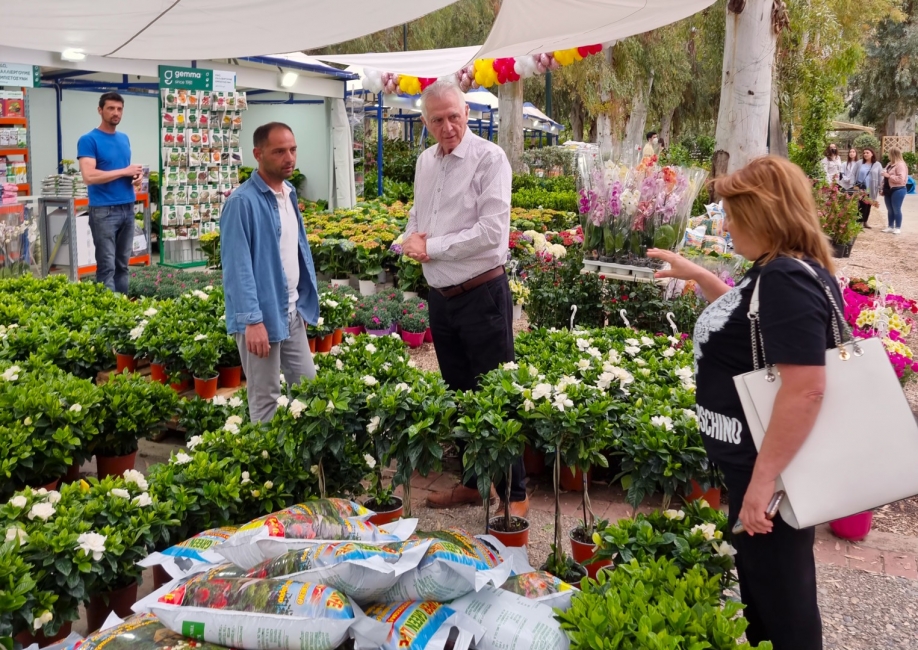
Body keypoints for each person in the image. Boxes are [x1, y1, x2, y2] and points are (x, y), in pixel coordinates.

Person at [649, 156, 838, 650]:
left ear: (765, 214)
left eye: (734, 213)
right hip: (760, 472)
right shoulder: (778, 273)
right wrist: (701, 277)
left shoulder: (786, 279)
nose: (726, 224)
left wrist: (761, 484)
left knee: (783, 609)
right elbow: (752, 323)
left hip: (771, 481)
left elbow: (806, 388)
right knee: (765, 594)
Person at [401, 79, 527, 517]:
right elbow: (420, 217)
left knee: (496, 396)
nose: (448, 126)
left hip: (481, 294)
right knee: (460, 394)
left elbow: (492, 233)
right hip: (442, 297)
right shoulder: (424, 162)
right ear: (426, 121)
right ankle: (475, 484)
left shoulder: (489, 159)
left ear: (467, 113)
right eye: (438, 119)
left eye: (454, 116)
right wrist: (407, 240)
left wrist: (430, 248)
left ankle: (516, 496)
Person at [220, 122, 319, 422]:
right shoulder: (241, 203)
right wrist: (252, 321)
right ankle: (266, 464)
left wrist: (301, 301)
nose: (289, 157)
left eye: (292, 149)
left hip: (291, 312)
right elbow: (237, 268)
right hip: (260, 318)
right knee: (265, 400)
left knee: (309, 389)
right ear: (258, 154)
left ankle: (304, 463)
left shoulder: (288, 193)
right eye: (279, 151)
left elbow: (295, 250)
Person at [78, 92, 144, 294]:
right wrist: (125, 171)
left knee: (123, 266)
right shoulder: (88, 140)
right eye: (111, 108)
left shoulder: (124, 138)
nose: (116, 113)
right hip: (104, 211)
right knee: (107, 267)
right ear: (100, 110)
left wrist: (135, 178)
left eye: (119, 109)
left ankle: (122, 310)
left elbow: (120, 171)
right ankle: (107, 314)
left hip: (127, 207)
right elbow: (89, 176)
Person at [850, 147, 882, 228]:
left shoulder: (877, 164)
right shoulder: (859, 163)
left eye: (867, 153)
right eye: (864, 153)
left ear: (872, 154)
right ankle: (859, 222)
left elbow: (880, 177)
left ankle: (865, 221)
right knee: (861, 205)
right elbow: (853, 174)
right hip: (860, 188)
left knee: (868, 205)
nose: (865, 154)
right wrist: (853, 185)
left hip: (870, 188)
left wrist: (880, 188)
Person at [881, 146, 908, 234]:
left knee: (896, 209)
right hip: (888, 189)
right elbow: (885, 177)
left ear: (893, 154)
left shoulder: (901, 165)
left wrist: (889, 176)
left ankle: (898, 227)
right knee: (890, 209)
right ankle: (890, 226)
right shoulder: (889, 164)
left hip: (898, 189)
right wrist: (882, 188)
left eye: (889, 153)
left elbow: (901, 179)